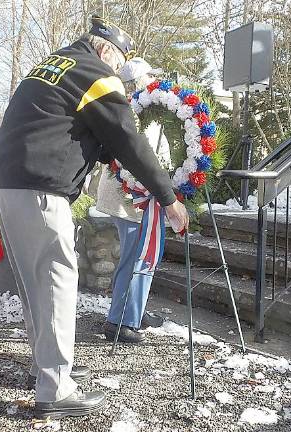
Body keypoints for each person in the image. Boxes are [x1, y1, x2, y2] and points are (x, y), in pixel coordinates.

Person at [0, 16, 189, 420]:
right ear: (108, 51)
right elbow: (127, 140)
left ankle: (48, 368)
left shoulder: (54, 64)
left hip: (11, 187)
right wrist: (168, 198)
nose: (118, 73)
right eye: (120, 63)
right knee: (56, 283)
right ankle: (56, 391)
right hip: (40, 191)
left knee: (35, 287)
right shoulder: (96, 74)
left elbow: (75, 131)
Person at [96, 57, 170, 343]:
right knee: (138, 258)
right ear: (139, 81)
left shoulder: (135, 108)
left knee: (139, 257)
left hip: (129, 197)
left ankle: (133, 311)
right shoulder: (133, 110)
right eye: (150, 76)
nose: (155, 80)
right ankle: (122, 321)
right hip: (131, 199)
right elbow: (139, 156)